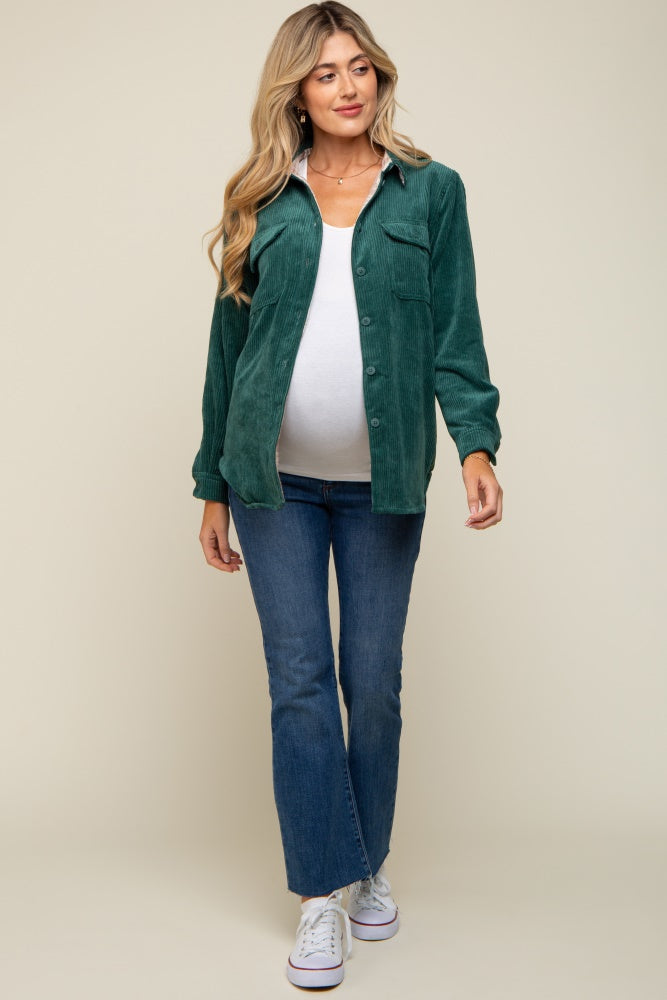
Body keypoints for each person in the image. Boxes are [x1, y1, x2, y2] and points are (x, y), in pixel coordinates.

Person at [192, 1, 503, 989]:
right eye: (324, 72)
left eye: (359, 66)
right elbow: (228, 352)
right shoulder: (260, 198)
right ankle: (320, 896)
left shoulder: (430, 192)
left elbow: (455, 330)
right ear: (296, 90)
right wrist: (210, 483)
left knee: (372, 684)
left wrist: (476, 444)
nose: (347, 86)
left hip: (383, 484)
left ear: (378, 76)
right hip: (269, 483)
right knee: (299, 682)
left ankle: (366, 860)